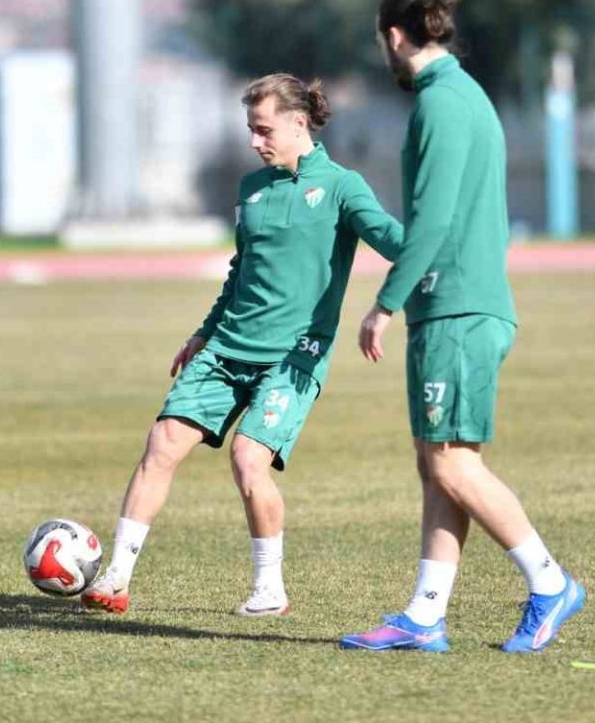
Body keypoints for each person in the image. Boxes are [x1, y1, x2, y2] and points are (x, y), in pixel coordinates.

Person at [83, 73, 403, 618]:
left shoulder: (343, 187)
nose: (254, 141)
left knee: (248, 458)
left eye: (263, 130)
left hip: (293, 357)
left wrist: (405, 290)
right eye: (251, 130)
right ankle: (116, 576)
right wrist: (204, 331)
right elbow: (241, 272)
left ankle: (269, 589)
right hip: (227, 346)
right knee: (162, 444)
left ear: (299, 123)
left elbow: (398, 243)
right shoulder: (251, 189)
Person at [339, 0, 585, 654]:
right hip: (456, 306)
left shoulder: (441, 104)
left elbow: (434, 219)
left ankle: (550, 582)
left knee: (450, 464)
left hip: (458, 309)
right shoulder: (463, 95)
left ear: (395, 37)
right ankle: (425, 615)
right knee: (439, 464)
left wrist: (385, 303)